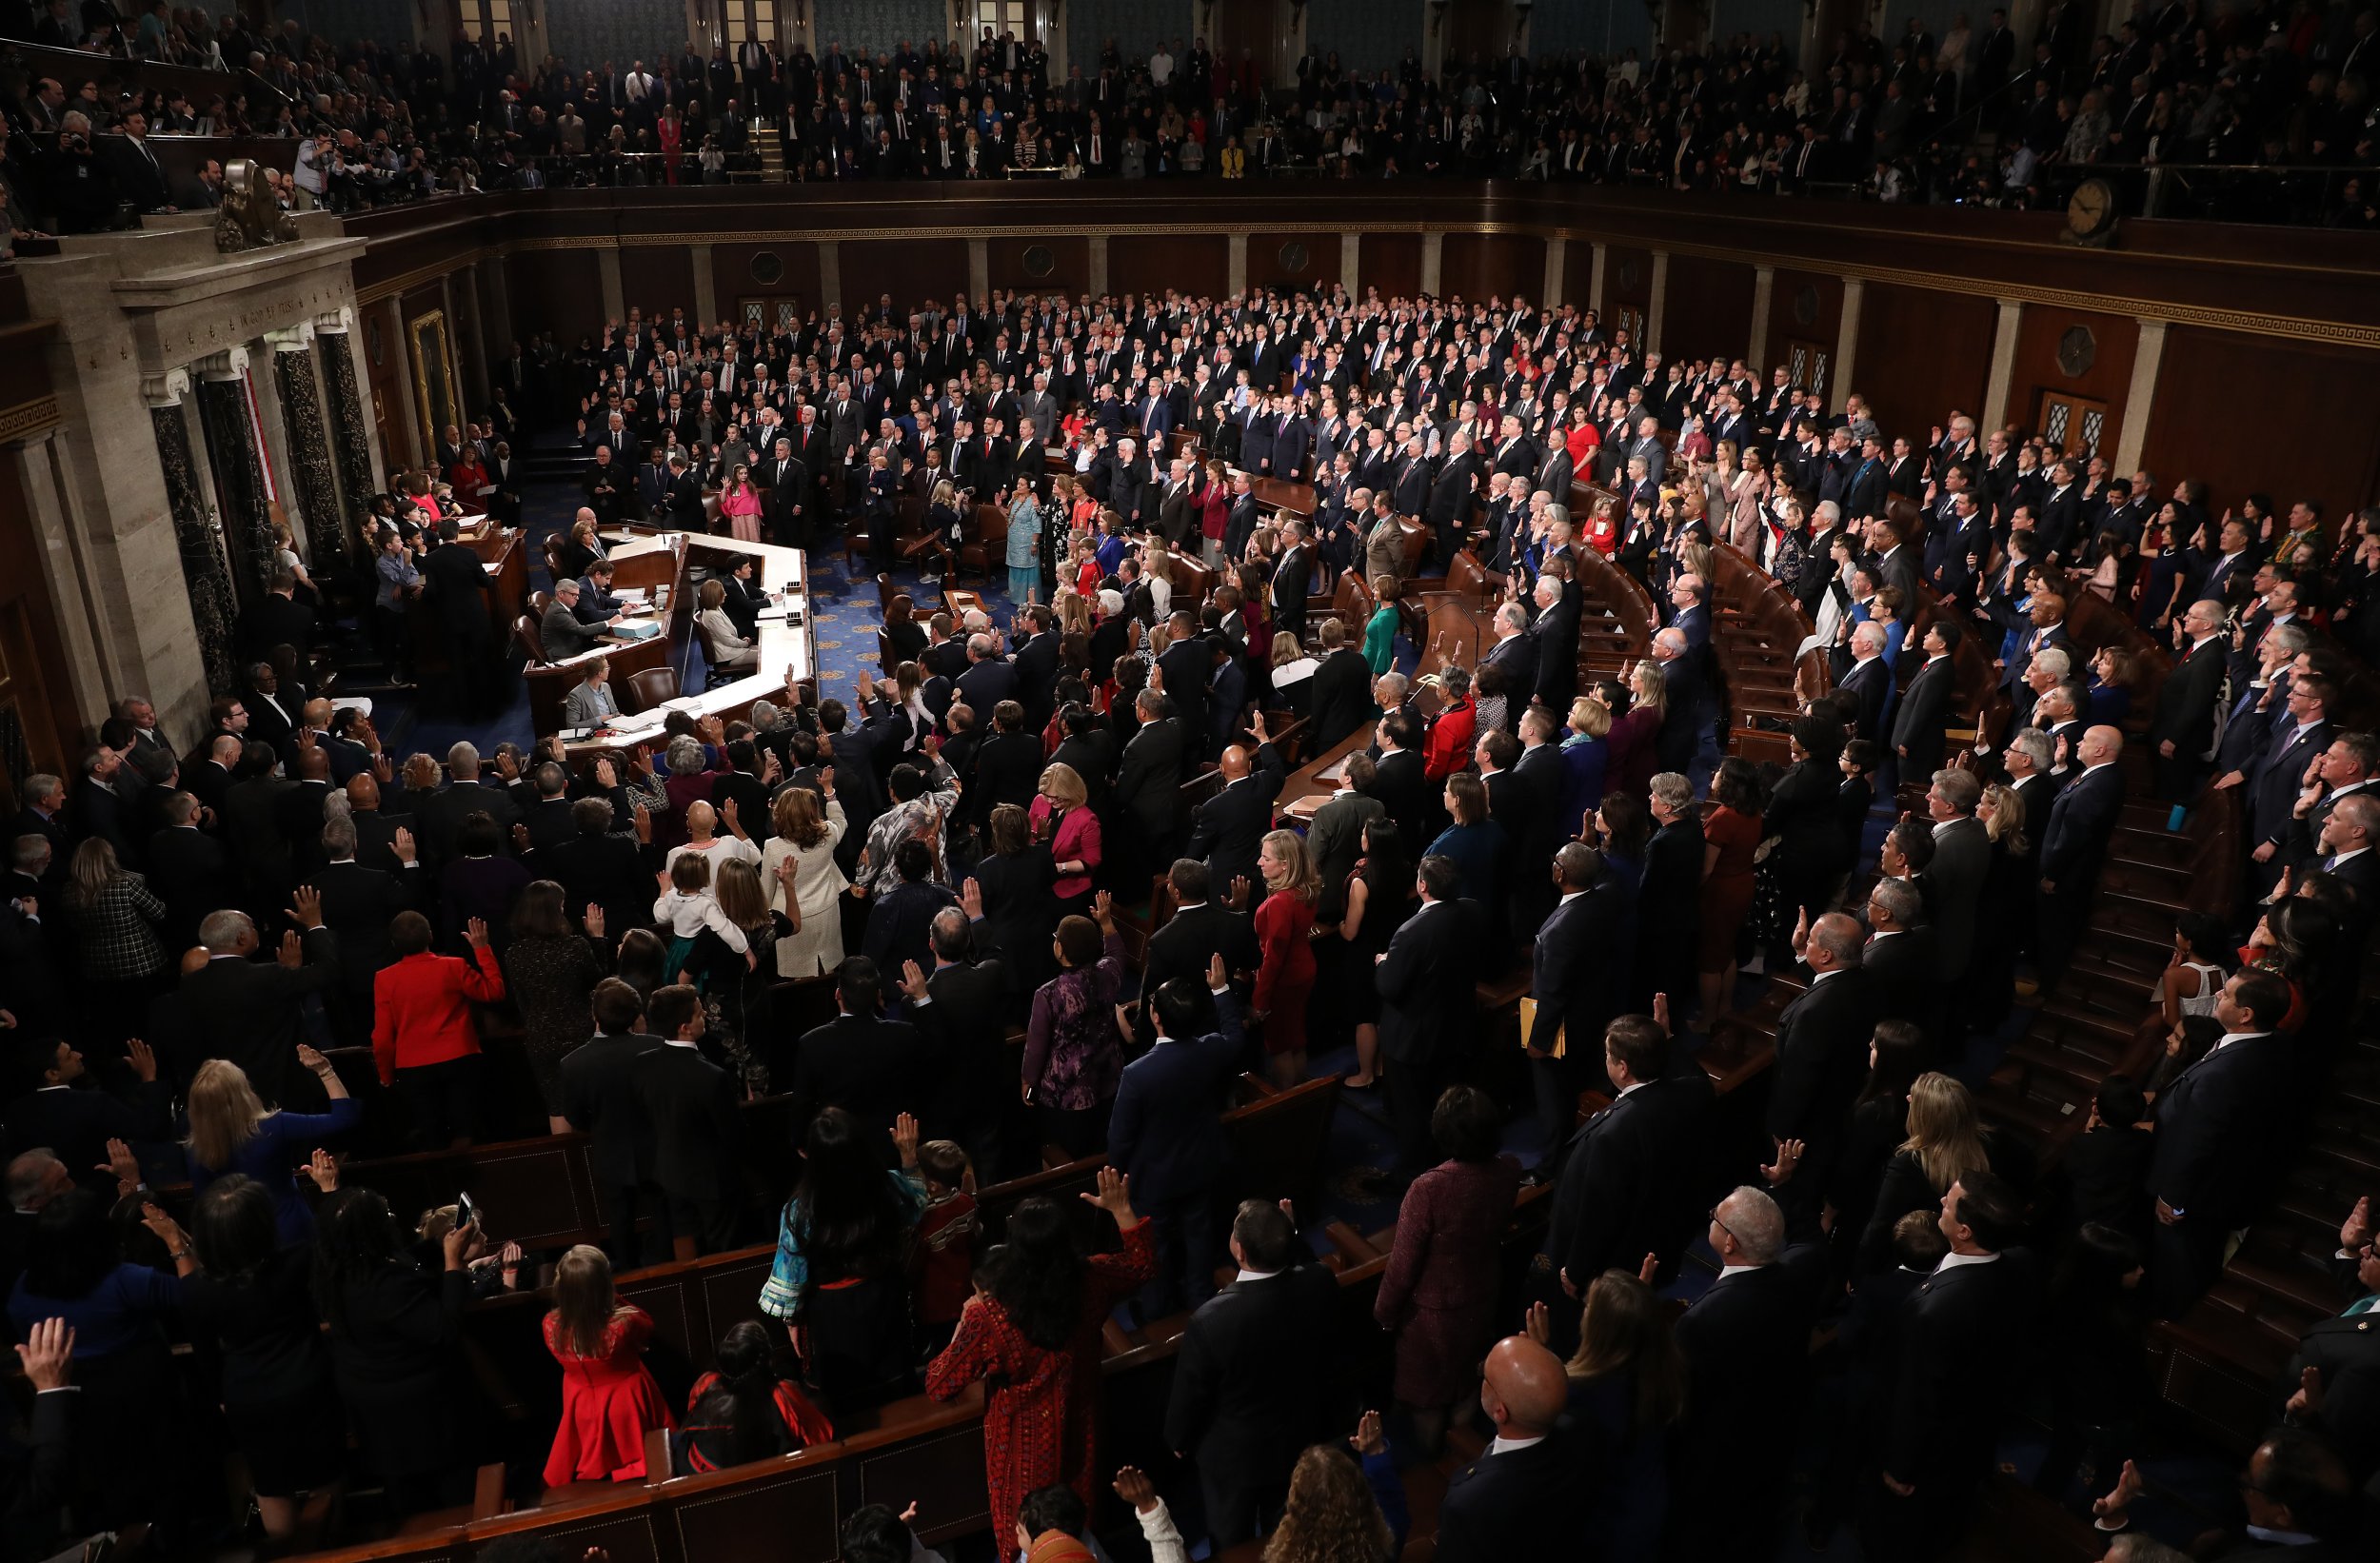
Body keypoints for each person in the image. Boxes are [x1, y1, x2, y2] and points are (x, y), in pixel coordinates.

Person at [926, 1167, 1155, 1549]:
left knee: (1026, 1540)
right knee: (1075, 1533)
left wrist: (964, 1321)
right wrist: (1121, 1210)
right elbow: (1143, 1264)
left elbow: (938, 1382)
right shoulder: (1092, 1280)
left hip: (1020, 1453)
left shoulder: (991, 1316)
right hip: (1082, 1433)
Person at [181, 1175, 345, 1552]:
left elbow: (205, 1356)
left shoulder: (194, 1290)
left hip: (248, 1397)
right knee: (327, 1476)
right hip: (311, 1383)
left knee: (271, 1484)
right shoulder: (299, 1260)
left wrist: (221, 1396)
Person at [1165, 1198, 1342, 1549]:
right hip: (1299, 1438)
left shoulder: (1211, 1320)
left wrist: (1178, 1440)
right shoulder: (1320, 1281)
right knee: (1289, 1534)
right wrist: (1291, 1235)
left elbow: (1192, 1392)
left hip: (1235, 1461)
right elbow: (1309, 1267)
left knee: (1231, 1543)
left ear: (1240, 1251)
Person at [312, 1186, 482, 1516]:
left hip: (375, 1408)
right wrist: (451, 1263)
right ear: (371, 1232)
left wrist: (437, 1247)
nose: (393, 1219)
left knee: (405, 1494)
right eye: (386, 1216)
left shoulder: (337, 1271)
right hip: (419, 1413)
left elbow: (406, 1258)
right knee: (448, 1499)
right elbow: (444, 1329)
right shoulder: (384, 1286)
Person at [1374, 1086, 1523, 1454]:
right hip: (1483, 1294)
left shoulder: (1429, 1189)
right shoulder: (1509, 1169)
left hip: (1431, 1317)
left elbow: (1403, 1265)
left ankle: (1431, 1467)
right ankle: (1460, 1458)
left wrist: (1384, 1313)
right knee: (1465, 1382)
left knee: (1428, 1399)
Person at [758, 1107, 927, 1414]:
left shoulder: (799, 1209)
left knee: (848, 1407)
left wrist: (793, 1323)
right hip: (883, 1298)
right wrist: (909, 1157)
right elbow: (916, 1208)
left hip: (833, 1315)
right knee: (896, 1397)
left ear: (812, 1156)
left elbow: (790, 1280)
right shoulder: (884, 1187)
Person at [1110, 954, 1243, 1314]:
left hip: (1153, 1179)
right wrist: (1221, 989)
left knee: (1156, 1249)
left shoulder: (1137, 1075)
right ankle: (1200, 1300)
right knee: (1199, 1237)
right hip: (1201, 1165)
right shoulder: (1210, 1050)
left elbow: (1120, 1138)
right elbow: (1234, 1034)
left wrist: (1120, 1176)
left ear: (1155, 1018)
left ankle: (1156, 1313)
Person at [1527, 1267, 1683, 1559]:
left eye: (1589, 1308)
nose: (1583, 1313)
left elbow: (1541, 1442)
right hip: (1648, 1512)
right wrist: (1633, 1305)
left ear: (1601, 1328)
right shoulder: (1661, 1369)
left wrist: (1538, 1364)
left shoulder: (1577, 1395)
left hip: (1603, 1528)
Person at [1375, 855, 1481, 1177]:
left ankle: (1414, 1176)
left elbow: (1390, 987)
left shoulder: (1410, 933)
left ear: (1422, 885)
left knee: (1410, 1113)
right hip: (1453, 1026)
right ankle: (1446, 1162)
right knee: (1443, 1102)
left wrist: (1382, 964)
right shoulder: (1473, 910)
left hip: (1412, 1039)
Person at [1431, 1335, 1579, 1563]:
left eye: (1485, 1376)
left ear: (1500, 1411)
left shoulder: (1470, 1504)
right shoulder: (1580, 1436)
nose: (1480, 1376)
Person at [185, 1049, 359, 1243]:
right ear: (243, 1093)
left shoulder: (196, 1150)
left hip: (239, 1245)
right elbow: (344, 1118)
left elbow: (204, 1211)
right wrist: (325, 1071)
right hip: (292, 1236)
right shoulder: (274, 1127)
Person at [542, 1243, 674, 1485]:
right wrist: (608, 1298)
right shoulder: (622, 1325)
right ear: (603, 1286)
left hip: (580, 1403)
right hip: (626, 1402)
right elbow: (647, 1324)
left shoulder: (550, 1324)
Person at [371, 909, 504, 1147]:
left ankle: (446, 1183)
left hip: (413, 1069)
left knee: (432, 1136)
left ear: (393, 944)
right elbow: (494, 992)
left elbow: (382, 1037)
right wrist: (482, 949)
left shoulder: (384, 979)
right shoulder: (453, 967)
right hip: (460, 1058)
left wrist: (386, 1076)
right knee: (467, 1130)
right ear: (430, 936)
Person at [1021, 897, 1127, 1157]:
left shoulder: (1048, 994)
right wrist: (1106, 923)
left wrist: (1027, 1080)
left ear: (1061, 949)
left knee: (1074, 1153)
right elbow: (1116, 953)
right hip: (1109, 1077)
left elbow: (1036, 1047)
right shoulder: (1108, 973)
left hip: (1068, 1092)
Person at [504, 880, 608, 1131]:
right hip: (580, 1036)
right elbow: (600, 985)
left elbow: (522, 1003)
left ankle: (571, 1169)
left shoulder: (514, 954)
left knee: (557, 1105)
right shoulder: (575, 947)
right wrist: (598, 938)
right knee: (594, 1103)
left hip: (541, 1038)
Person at [671, 1318, 835, 1474]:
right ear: (767, 1360)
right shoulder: (780, 1394)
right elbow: (821, 1438)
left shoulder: (705, 1383)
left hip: (698, 1477)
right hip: (763, 1485)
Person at [1334, 819, 1413, 1092]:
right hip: (1392, 947)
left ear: (1371, 842)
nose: (1361, 837)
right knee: (1382, 1013)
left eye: (1364, 834)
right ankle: (1380, 1067)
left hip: (1364, 953)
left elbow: (1352, 931)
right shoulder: (1406, 870)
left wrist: (1339, 926)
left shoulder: (1361, 882)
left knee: (1364, 1016)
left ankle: (1366, 1073)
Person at [1248, 828, 1319, 1086]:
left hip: (1284, 980)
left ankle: (1284, 1101)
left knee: (1279, 1045)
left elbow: (1272, 957)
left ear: (1285, 864)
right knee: (1296, 1038)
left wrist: (1260, 1000)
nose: (1259, 862)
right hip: (1303, 970)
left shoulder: (1280, 902)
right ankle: (1299, 1094)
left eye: (1266, 859)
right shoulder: (1304, 890)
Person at [1696, 757, 1765, 1026]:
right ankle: (1724, 1008)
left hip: (1720, 892)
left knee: (1709, 959)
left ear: (1729, 784)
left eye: (1718, 774)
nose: (1713, 776)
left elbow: (1705, 869)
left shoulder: (1723, 818)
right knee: (1727, 950)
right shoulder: (1753, 811)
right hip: (1742, 884)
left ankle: (1707, 1020)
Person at [763, 779, 849, 978]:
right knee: (828, 971)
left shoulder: (772, 847)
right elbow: (840, 820)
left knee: (800, 981)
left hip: (790, 919)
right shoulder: (827, 833)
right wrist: (829, 791)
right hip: (826, 910)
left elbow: (765, 891)